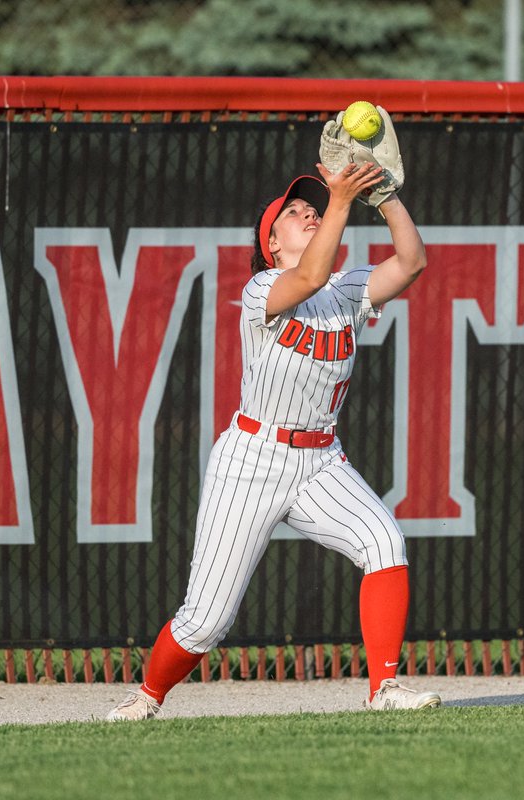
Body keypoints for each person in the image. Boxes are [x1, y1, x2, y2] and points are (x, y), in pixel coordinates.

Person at [108, 159, 435, 719]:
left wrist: (383, 197)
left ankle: (383, 688)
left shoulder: (347, 290)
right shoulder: (262, 289)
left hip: (321, 460)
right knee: (205, 621)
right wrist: (337, 200)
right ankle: (147, 696)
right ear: (272, 242)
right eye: (294, 212)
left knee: (384, 543)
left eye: (315, 208)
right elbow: (306, 278)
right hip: (252, 460)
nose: (308, 212)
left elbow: (412, 262)